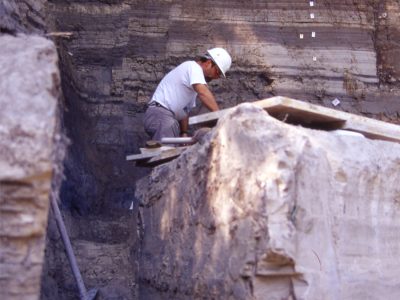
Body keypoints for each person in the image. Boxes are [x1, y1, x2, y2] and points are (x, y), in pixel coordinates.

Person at [143, 47, 232, 141]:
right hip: (160, 115)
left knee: (169, 151)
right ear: (208, 63)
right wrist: (219, 116)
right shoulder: (193, 67)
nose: (217, 77)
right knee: (166, 152)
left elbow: (184, 112)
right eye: (217, 72)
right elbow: (203, 93)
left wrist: (183, 132)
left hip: (165, 118)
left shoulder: (191, 86)